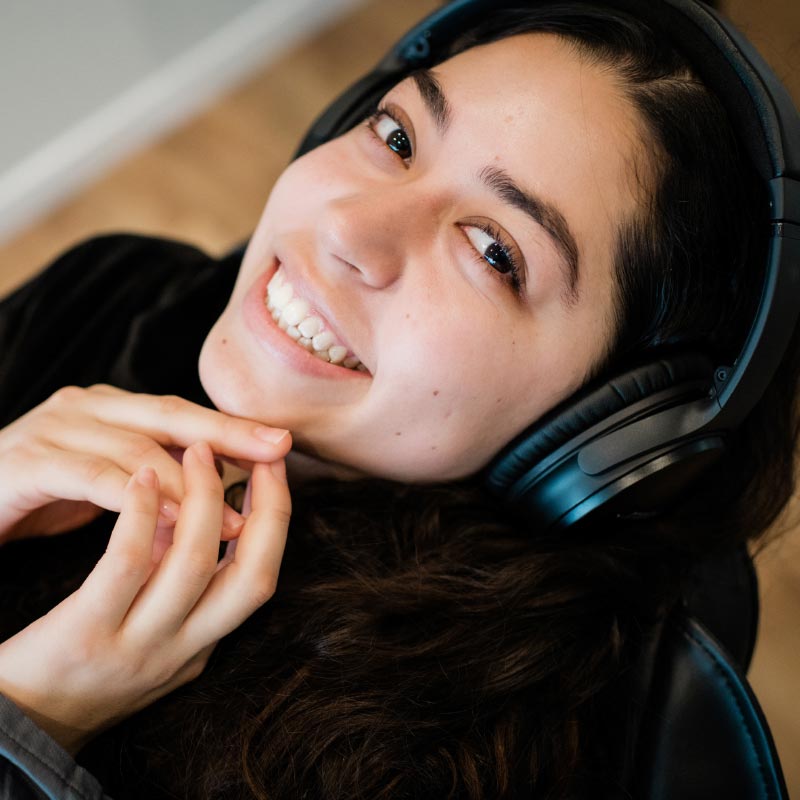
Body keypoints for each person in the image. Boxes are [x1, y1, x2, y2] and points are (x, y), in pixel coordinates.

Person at [0, 1, 797, 797]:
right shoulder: (112, 292)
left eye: (493, 251)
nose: (348, 227)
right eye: (397, 137)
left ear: (603, 429)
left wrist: (27, 721)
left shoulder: (482, 767)